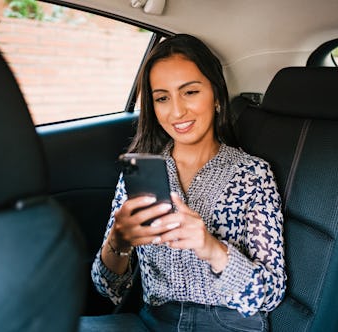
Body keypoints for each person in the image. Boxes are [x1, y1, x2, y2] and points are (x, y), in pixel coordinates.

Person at [82, 34, 286, 332]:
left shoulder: (253, 174)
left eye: (189, 92)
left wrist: (211, 247)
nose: (176, 111)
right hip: (151, 320)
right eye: (162, 97)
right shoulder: (139, 173)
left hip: (228, 323)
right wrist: (119, 239)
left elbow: (269, 294)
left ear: (216, 95)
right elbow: (108, 289)